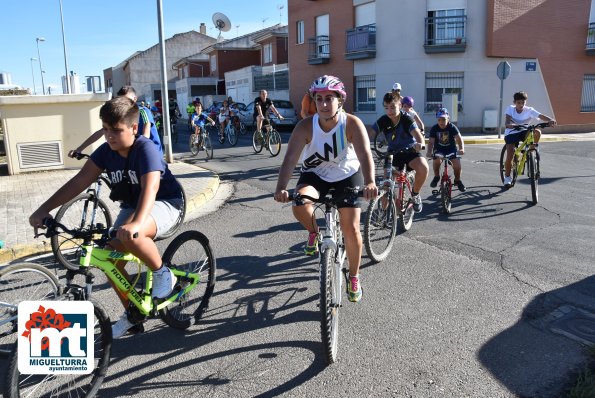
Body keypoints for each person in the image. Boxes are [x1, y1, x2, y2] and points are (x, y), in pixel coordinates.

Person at [29, 96, 184, 339]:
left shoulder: (145, 149)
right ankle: (133, 315)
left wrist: (135, 223)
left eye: (116, 130)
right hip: (134, 205)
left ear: (134, 128)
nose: (109, 135)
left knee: (134, 235)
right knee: (110, 257)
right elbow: (79, 181)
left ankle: (163, 273)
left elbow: (151, 189)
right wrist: (43, 209)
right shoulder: (105, 152)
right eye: (105, 129)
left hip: (166, 203)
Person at [274, 75, 378, 303]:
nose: (322, 104)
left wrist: (370, 182)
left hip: (347, 175)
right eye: (318, 99)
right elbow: (290, 159)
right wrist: (281, 188)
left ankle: (353, 276)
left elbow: (364, 154)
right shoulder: (305, 126)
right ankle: (314, 232)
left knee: (351, 229)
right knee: (300, 202)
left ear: (340, 100)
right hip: (315, 176)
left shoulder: (351, 123)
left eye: (329, 98)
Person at [372, 91, 428, 212]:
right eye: (386, 108)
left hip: (410, 151)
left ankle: (415, 194)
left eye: (392, 107)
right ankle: (383, 214)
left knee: (423, 167)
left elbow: (418, 135)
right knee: (386, 185)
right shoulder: (384, 120)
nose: (389, 111)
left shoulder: (406, 119)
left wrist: (420, 144)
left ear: (400, 106)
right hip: (392, 153)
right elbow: (369, 133)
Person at [68, 86, 163, 157]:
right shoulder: (122, 114)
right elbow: (100, 132)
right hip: (132, 153)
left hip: (150, 154)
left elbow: (146, 135)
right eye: (121, 100)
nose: (124, 103)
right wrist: (79, 149)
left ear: (135, 99)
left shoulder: (143, 111)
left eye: (127, 100)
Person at [502, 91, 556, 188]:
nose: (521, 105)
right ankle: (507, 177)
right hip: (512, 132)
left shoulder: (529, 110)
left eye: (523, 102)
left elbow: (541, 116)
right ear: (515, 102)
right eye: (519, 102)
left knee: (537, 131)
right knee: (510, 154)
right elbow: (507, 121)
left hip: (524, 131)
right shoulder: (510, 109)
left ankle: (531, 149)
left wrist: (550, 120)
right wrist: (510, 125)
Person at [426, 108, 466, 192]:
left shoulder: (452, 127)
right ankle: (436, 177)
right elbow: (431, 142)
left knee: (457, 165)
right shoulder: (434, 128)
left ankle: (457, 180)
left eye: (444, 119)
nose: (441, 122)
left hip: (451, 149)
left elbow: (459, 139)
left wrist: (461, 148)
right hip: (439, 149)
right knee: (436, 160)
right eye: (439, 119)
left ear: (448, 118)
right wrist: (429, 152)